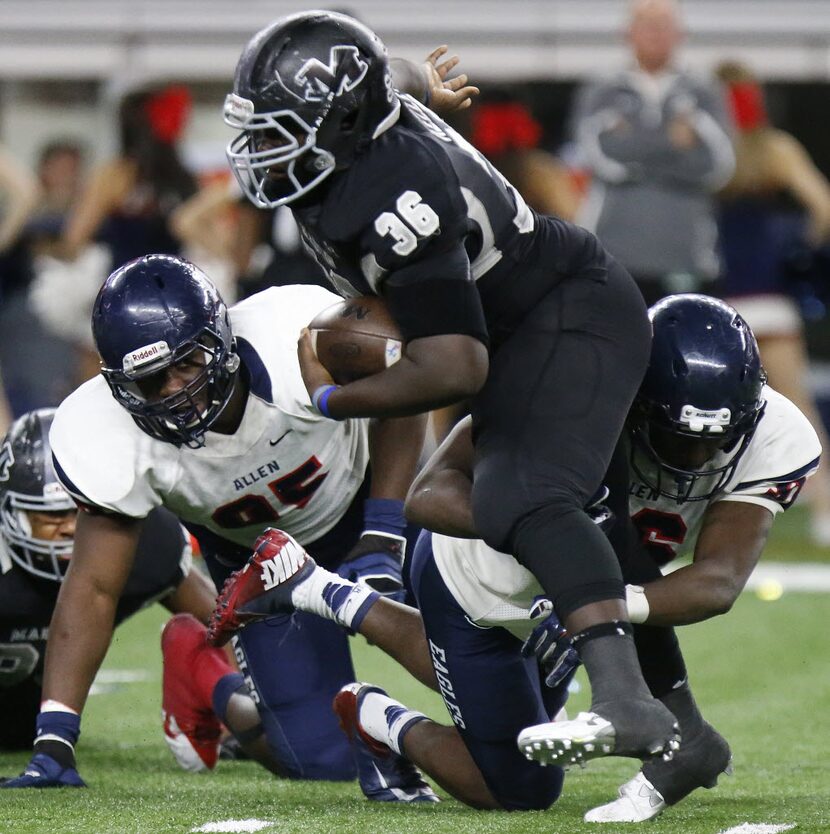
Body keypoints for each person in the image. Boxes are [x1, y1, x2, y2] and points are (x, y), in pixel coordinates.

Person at [223, 9, 680, 768]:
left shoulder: (392, 193)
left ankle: (624, 699)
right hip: (519, 322)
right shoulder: (364, 125)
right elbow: (391, 73)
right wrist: (422, 82)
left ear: (340, 121)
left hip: (564, 313)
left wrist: (328, 404)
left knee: (525, 497)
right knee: (452, 504)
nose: (263, 148)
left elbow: (453, 367)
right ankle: (684, 729)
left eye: (283, 128)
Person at [8, 254, 431, 798]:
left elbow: (406, 381)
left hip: (368, 505)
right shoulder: (108, 433)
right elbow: (91, 587)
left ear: (222, 338)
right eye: (150, 381)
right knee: (322, 760)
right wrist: (53, 743)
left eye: (186, 364)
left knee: (492, 659)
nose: (174, 393)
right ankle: (208, 678)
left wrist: (383, 527)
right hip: (265, 569)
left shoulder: (293, 335)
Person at [0, 408, 218, 783]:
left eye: (78, 513)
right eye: (50, 517)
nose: (69, 529)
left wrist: (235, 700)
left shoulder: (144, 545)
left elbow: (219, 621)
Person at [716, 59, 830, 547]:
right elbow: (823, 206)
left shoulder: (704, 151)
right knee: (801, 414)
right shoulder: (774, 149)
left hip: (718, 308)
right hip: (771, 299)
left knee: (708, 422)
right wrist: (797, 252)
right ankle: (825, 512)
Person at [569, 0, 735, 305]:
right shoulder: (601, 88)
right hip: (614, 254)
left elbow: (717, 166)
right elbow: (598, 160)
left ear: (680, 33)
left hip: (688, 255)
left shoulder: (705, 90)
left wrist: (632, 142)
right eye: (647, 23)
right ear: (628, 33)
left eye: (664, 24)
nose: (656, 33)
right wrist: (673, 145)